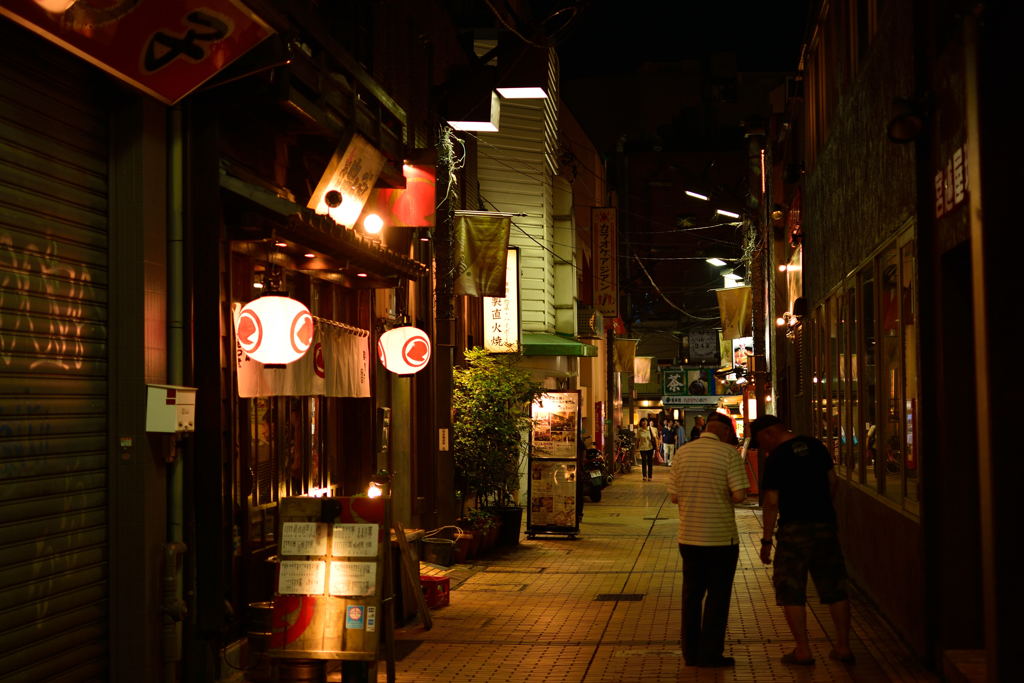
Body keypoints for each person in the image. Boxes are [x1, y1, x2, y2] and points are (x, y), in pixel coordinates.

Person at [751, 415, 855, 666]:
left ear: (768, 434)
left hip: (794, 529)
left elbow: (772, 502)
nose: (762, 447)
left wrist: (766, 541)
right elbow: (833, 482)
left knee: (791, 589)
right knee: (835, 587)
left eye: (760, 442)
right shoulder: (817, 446)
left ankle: (803, 650)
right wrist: (821, 507)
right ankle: (843, 647)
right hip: (825, 526)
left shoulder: (777, 457)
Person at [667, 412, 748, 668]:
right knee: (717, 597)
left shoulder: (682, 453)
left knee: (691, 597)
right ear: (724, 432)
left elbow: (674, 497)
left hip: (689, 538)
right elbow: (739, 495)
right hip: (720, 539)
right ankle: (710, 654)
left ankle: (690, 654)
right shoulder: (728, 454)